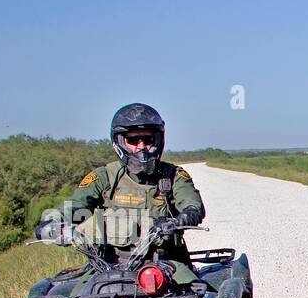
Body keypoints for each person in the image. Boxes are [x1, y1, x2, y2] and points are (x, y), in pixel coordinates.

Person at [36, 103, 206, 281]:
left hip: (166, 264)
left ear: (158, 140)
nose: (141, 147)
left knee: (199, 294)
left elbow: (193, 205)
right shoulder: (104, 177)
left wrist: (183, 218)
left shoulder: (173, 175)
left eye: (148, 140)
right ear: (119, 142)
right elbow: (74, 207)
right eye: (133, 141)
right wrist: (53, 224)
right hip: (107, 267)